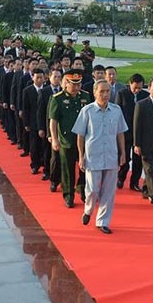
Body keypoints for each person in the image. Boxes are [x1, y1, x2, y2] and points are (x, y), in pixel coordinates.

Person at [72, 79, 127, 234]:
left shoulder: (116, 110)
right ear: (95, 92)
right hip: (93, 156)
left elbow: (120, 133)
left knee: (109, 192)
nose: (105, 94)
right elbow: (80, 136)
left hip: (111, 155)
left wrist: (123, 153)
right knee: (92, 190)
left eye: (107, 91)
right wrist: (81, 156)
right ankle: (88, 210)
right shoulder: (87, 111)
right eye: (101, 91)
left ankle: (102, 221)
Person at [48, 69, 89, 208]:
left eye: (78, 84)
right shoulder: (57, 98)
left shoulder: (85, 96)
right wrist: (54, 139)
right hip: (67, 140)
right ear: (66, 83)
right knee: (68, 169)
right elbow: (53, 121)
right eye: (73, 84)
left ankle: (82, 189)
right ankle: (68, 194)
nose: (76, 87)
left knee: (84, 167)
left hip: (84, 139)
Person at [116, 73, 149, 191]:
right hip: (125, 132)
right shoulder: (122, 94)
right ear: (129, 84)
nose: (137, 90)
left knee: (138, 160)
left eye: (139, 88)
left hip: (139, 134)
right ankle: (121, 177)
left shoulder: (146, 96)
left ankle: (134, 182)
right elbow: (117, 112)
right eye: (135, 87)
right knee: (124, 157)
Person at [37, 68, 63, 187]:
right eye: (55, 77)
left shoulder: (65, 91)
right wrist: (43, 129)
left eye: (59, 77)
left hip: (63, 130)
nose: (57, 79)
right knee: (50, 154)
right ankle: (49, 174)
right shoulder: (45, 91)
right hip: (50, 128)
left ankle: (61, 178)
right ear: (49, 77)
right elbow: (42, 112)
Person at [22, 68, 46, 174]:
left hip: (45, 122)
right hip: (33, 122)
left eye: (42, 78)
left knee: (45, 146)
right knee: (34, 145)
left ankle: (45, 165)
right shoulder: (27, 90)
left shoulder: (47, 90)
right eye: (37, 78)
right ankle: (35, 165)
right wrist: (26, 123)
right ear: (33, 78)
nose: (40, 80)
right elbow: (25, 108)